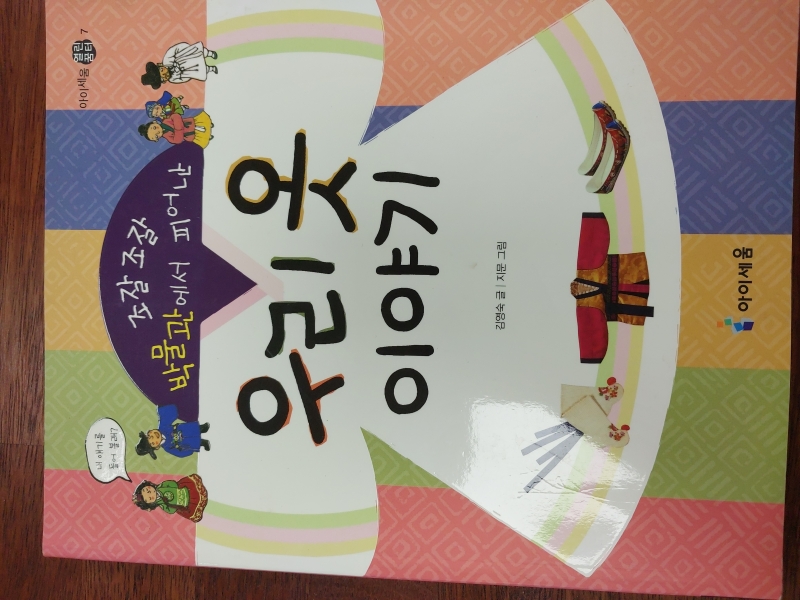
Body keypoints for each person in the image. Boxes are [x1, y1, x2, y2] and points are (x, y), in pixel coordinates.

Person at [572, 212, 653, 363]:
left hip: (636, 270)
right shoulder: (585, 307)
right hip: (636, 278)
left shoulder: (586, 266)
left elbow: (594, 230)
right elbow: (593, 346)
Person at [134, 403, 210, 460]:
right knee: (193, 442)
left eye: (150, 436)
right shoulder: (167, 447)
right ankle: (203, 443)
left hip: (182, 429)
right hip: (183, 442)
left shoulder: (162, 427)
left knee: (192, 429)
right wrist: (187, 451)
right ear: (157, 447)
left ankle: (202, 428)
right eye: (152, 443)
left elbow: (165, 417)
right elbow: (177, 453)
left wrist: (161, 407)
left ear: (149, 431)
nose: (154, 437)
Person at [141, 42, 218, 89]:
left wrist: (186, 48)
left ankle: (210, 53)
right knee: (200, 69)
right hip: (189, 69)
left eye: (162, 70)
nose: (165, 74)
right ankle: (210, 68)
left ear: (160, 65)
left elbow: (176, 48)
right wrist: (180, 74)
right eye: (162, 78)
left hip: (185, 56)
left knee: (199, 52)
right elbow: (183, 79)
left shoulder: (167, 60)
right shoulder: (172, 79)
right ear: (163, 81)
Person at [132, 475, 208, 522]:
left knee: (195, 489)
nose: (150, 493)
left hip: (182, 490)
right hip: (183, 503)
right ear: (150, 503)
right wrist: (167, 503)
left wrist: (174, 487)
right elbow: (170, 510)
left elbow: (172, 483)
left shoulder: (161, 486)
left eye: (147, 490)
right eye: (148, 498)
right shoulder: (161, 504)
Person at [137, 111, 214, 148]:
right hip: (189, 134)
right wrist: (179, 129)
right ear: (156, 140)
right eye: (156, 136)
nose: (157, 131)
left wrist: (178, 129)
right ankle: (208, 136)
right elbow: (177, 140)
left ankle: (208, 125)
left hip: (189, 123)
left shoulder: (166, 121)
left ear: (154, 122)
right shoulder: (167, 137)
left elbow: (176, 116)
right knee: (199, 135)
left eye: (154, 128)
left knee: (200, 124)